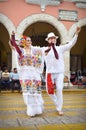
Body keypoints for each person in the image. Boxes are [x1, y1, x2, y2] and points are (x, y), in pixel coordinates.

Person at [43, 27, 81, 116]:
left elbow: (71, 44)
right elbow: (34, 51)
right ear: (48, 40)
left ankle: (59, 108)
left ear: (56, 40)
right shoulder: (44, 50)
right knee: (49, 91)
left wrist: (76, 34)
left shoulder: (60, 48)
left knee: (59, 89)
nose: (52, 39)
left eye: (54, 38)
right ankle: (57, 103)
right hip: (50, 73)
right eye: (51, 38)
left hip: (59, 72)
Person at [9, 32, 44, 117]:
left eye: (30, 40)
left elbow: (43, 51)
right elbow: (14, 45)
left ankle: (37, 109)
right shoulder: (21, 51)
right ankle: (30, 110)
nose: (29, 41)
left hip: (34, 73)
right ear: (24, 42)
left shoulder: (35, 51)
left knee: (35, 91)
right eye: (28, 40)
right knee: (28, 91)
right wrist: (13, 37)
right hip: (25, 74)